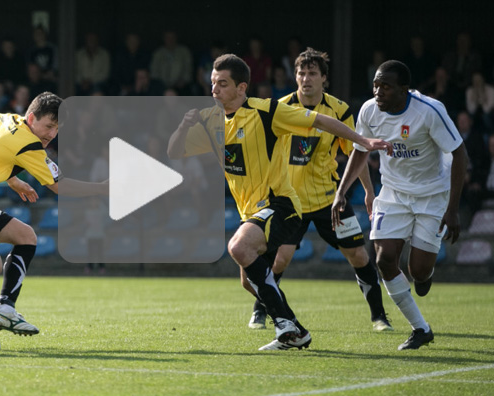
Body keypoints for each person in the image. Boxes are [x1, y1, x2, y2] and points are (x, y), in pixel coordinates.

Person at [168, 54, 391, 351]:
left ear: (241, 88)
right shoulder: (211, 122)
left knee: (238, 247)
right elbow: (174, 152)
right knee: (250, 282)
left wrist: (363, 142)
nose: (215, 90)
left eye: (222, 84)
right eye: (212, 84)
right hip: (252, 213)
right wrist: (184, 126)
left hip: (282, 204)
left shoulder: (269, 111)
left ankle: (356, 317)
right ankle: (294, 329)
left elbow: (321, 120)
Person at [0, 92, 107, 347]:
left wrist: (13, 179)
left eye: (58, 129)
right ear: (32, 118)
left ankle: (5, 308)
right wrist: (103, 188)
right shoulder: (29, 145)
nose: (52, 134)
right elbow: (60, 187)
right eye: (49, 125)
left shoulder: (6, 119)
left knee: (25, 236)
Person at [245, 48, 392, 332]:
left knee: (359, 256)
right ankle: (260, 311)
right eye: (301, 72)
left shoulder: (339, 110)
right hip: (290, 202)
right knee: (280, 258)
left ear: (324, 78)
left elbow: (356, 153)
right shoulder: (280, 107)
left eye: (312, 73)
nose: (305, 78)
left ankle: (379, 317)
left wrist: (369, 193)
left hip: (329, 200)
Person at [332, 60, 467, 350]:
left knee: (417, 270)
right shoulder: (369, 110)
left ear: (404, 90)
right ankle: (421, 329)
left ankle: (423, 275)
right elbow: (360, 150)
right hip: (393, 193)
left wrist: (453, 209)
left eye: (386, 86)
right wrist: (342, 191)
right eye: (376, 85)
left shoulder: (429, 111)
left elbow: (459, 154)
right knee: (384, 259)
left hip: (432, 195)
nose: (378, 92)